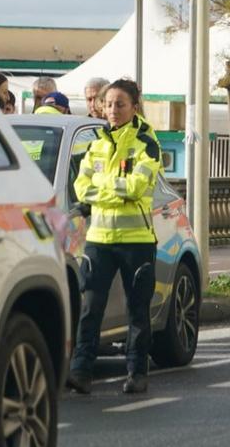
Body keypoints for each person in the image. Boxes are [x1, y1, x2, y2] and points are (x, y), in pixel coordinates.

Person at [67, 79, 162, 395]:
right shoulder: (96, 143)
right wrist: (114, 191)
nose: (112, 110)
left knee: (137, 310)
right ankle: (81, 371)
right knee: (91, 307)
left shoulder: (146, 142)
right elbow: (81, 188)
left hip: (137, 241)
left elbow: (136, 187)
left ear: (134, 106)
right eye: (108, 104)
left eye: (120, 104)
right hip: (99, 239)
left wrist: (101, 187)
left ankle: (137, 372)